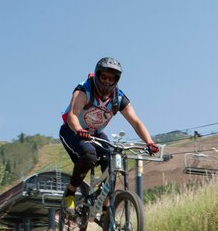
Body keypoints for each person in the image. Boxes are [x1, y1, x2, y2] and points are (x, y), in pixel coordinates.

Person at [59, 57, 159, 216]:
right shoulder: (84, 91)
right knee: (89, 156)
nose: (106, 81)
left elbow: (136, 122)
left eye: (111, 79)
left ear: (116, 80)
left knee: (113, 161)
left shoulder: (118, 98)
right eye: (103, 77)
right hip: (72, 131)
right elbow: (72, 115)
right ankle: (70, 193)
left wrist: (149, 142)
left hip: (96, 134)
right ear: (97, 76)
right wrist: (78, 129)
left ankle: (105, 209)